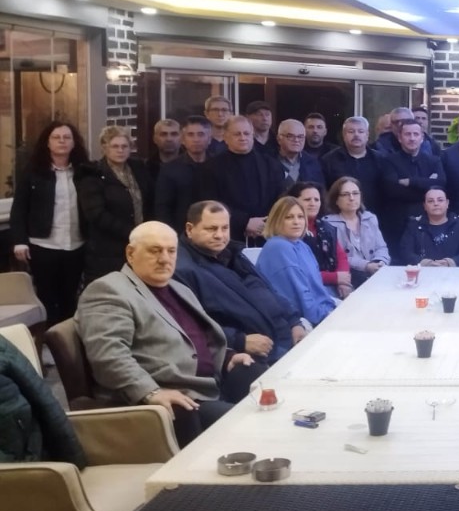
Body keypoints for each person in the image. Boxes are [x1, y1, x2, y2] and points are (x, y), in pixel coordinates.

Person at [76, 221, 260, 446]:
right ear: (130, 253)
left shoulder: (177, 287)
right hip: (177, 396)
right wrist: (151, 392)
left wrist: (228, 356)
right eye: (154, 251)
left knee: (267, 387)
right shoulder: (109, 290)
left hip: (208, 382)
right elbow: (108, 356)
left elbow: (197, 337)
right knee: (250, 426)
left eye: (171, 251)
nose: (164, 258)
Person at [173, 201, 307, 365]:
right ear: (189, 229)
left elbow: (269, 291)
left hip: (286, 339)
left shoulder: (233, 254)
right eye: (211, 229)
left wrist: (294, 322)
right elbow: (189, 326)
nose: (220, 235)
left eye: (225, 228)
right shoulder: (184, 270)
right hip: (252, 357)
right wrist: (239, 340)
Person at [11, 122, 90, 325]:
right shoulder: (33, 173)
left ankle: (66, 339)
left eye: (67, 137)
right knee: (47, 297)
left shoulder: (84, 172)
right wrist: (20, 241)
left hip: (76, 244)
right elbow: (19, 209)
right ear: (47, 143)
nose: (62, 141)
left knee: (70, 297)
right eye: (56, 137)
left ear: (74, 143)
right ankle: (49, 338)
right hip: (43, 245)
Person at [77, 126, 154, 285]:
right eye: (115, 146)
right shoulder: (93, 173)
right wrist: (130, 232)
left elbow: (149, 200)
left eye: (124, 146)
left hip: (139, 243)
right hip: (107, 248)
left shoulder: (138, 168)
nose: (120, 150)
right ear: (104, 148)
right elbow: (95, 214)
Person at [201, 116, 288, 242]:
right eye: (237, 134)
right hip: (229, 235)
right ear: (225, 137)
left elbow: (281, 197)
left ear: (252, 135)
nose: (243, 138)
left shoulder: (271, 164)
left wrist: (267, 221)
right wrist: (244, 222)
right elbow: (211, 202)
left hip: (268, 232)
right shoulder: (211, 167)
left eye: (246, 133)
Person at [256, 196, 338, 326]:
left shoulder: (302, 245)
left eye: (300, 217)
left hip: (323, 310)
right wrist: (328, 316)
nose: (296, 222)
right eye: (289, 217)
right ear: (276, 220)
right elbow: (301, 296)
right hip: (303, 322)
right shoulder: (278, 247)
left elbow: (317, 288)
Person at [378, 120, 447, 255]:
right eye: (407, 134)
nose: (412, 138)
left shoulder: (434, 161)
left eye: (416, 134)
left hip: (428, 223)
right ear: (400, 138)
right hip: (397, 223)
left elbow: (441, 184)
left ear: (422, 137)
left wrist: (411, 181)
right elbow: (392, 190)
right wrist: (427, 185)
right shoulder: (388, 161)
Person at [287, 181, 353, 299]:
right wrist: (335, 278)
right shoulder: (291, 231)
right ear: (294, 202)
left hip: (337, 284)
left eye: (316, 200)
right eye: (307, 200)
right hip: (309, 289)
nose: (313, 203)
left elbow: (341, 256)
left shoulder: (326, 228)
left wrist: (343, 282)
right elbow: (299, 273)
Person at [322, 177, 390, 286]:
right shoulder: (328, 224)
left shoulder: (370, 218)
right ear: (336, 200)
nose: (352, 198)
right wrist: (366, 266)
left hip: (377, 274)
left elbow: (381, 247)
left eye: (355, 193)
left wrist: (380, 262)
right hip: (349, 279)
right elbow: (337, 257)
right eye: (345, 194)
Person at [155, 116, 213, 230]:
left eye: (201, 134)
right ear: (183, 139)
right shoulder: (170, 169)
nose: (196, 140)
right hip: (182, 232)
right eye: (190, 135)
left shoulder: (219, 166)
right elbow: (163, 208)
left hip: (214, 229)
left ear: (209, 139)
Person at [321, 116, 386, 215]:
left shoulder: (380, 159)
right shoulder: (329, 160)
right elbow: (324, 192)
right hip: (339, 217)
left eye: (361, 131)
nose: (356, 135)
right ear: (344, 135)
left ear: (367, 135)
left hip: (375, 217)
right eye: (351, 131)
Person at [400, 187, 459, 266]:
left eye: (440, 200)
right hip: (422, 271)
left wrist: (449, 263)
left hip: (453, 272)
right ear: (424, 206)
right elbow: (405, 252)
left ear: (447, 203)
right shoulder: (414, 226)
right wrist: (426, 263)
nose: (436, 204)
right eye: (430, 201)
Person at [276, 119, 325, 186]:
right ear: (279, 139)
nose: (296, 140)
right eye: (290, 136)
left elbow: (320, 189)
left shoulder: (313, 162)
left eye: (300, 137)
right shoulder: (267, 161)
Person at [146, 119, 181, 184]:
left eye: (174, 134)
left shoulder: (192, 165)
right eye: (163, 134)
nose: (169, 139)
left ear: (182, 138)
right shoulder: (146, 169)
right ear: (155, 139)